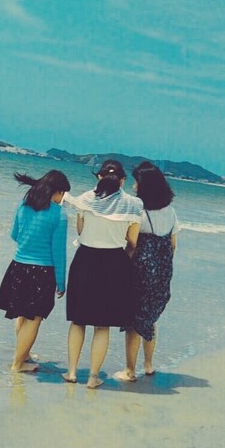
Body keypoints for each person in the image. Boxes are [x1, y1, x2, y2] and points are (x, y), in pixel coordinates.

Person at [62, 160, 143, 388]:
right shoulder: (133, 204)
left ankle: (72, 372)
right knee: (102, 324)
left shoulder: (86, 198)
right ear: (123, 180)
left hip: (85, 260)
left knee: (78, 321)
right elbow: (133, 242)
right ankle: (93, 377)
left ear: (98, 177)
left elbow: (80, 230)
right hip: (115, 263)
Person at [0, 169, 71, 373]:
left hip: (18, 266)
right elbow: (58, 252)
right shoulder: (59, 214)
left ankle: (24, 355)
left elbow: (14, 235)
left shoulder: (24, 205)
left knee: (21, 314)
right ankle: (18, 364)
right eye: (63, 194)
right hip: (42, 272)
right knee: (34, 319)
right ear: (57, 191)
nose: (62, 199)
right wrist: (61, 282)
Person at [114, 161, 178, 382]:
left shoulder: (138, 211)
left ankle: (130, 371)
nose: (133, 186)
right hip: (162, 271)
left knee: (133, 321)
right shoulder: (171, 211)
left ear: (145, 186)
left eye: (136, 182)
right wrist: (162, 269)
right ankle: (149, 365)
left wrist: (120, 267)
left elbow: (132, 244)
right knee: (149, 318)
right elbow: (173, 245)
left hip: (140, 271)